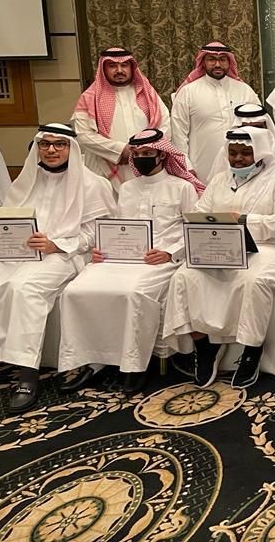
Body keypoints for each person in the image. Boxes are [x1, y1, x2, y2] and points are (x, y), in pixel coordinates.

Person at [0, 124, 114, 412]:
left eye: (59, 144)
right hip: (17, 252)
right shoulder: (26, 180)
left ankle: (27, 374)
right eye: (45, 144)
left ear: (71, 148)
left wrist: (55, 244)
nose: (51, 150)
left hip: (65, 254)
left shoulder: (93, 184)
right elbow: (9, 220)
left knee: (25, 288)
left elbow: (98, 233)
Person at [57, 129, 202, 394]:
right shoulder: (126, 188)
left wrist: (170, 253)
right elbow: (118, 227)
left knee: (134, 293)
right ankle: (90, 361)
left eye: (147, 153)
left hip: (160, 260)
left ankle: (134, 365)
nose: (141, 158)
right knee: (76, 290)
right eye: (137, 154)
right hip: (122, 258)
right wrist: (102, 250)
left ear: (162, 154)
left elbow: (194, 230)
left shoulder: (183, 188)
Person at [163, 127, 275, 390]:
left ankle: (251, 350)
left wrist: (244, 222)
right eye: (233, 153)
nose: (238, 159)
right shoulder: (219, 179)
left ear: (259, 153)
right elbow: (200, 212)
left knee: (252, 280)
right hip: (221, 248)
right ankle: (205, 347)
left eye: (245, 153)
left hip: (270, 248)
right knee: (184, 276)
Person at [73, 47, 172, 189]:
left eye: (124, 65)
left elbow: (165, 124)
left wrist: (147, 149)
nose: (119, 70)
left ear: (131, 67)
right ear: (103, 68)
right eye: (112, 65)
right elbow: (83, 135)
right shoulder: (89, 98)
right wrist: (120, 150)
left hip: (146, 165)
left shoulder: (148, 94)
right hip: (103, 171)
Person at [171, 41, 260, 180]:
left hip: (243, 167)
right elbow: (178, 134)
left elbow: (260, 128)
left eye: (222, 59)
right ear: (203, 62)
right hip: (202, 169)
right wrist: (186, 166)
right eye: (211, 59)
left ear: (229, 62)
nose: (217, 64)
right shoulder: (188, 92)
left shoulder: (245, 90)